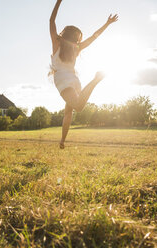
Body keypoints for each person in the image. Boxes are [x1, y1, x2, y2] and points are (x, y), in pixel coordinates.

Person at [50, 0, 118, 149]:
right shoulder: (77, 48)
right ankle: (62, 140)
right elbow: (94, 36)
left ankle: (95, 80)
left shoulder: (57, 44)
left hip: (62, 79)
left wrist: (58, 2)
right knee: (68, 112)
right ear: (76, 39)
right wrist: (107, 23)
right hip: (74, 80)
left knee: (78, 107)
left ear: (64, 33)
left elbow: (52, 20)